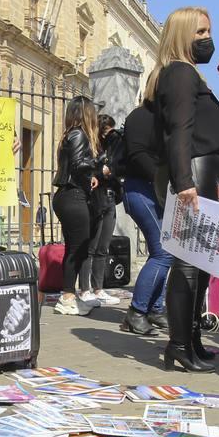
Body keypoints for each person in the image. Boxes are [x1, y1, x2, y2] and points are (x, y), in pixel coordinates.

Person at [147, 6, 219, 372]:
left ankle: (191, 340)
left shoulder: (186, 74)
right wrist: (185, 184)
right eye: (199, 33)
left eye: (208, 31)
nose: (207, 39)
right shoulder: (180, 74)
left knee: (200, 264)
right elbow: (179, 130)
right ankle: (179, 345)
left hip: (200, 176)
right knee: (189, 265)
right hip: (192, 177)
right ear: (182, 36)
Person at [119, 100, 171, 335]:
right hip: (141, 190)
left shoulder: (162, 116)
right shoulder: (141, 116)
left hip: (154, 191)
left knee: (163, 251)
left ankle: (154, 309)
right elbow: (139, 155)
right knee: (163, 252)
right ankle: (136, 312)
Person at [51, 96, 100, 316]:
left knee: (75, 247)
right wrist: (101, 166)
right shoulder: (79, 134)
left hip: (69, 195)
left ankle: (69, 294)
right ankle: (68, 297)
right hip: (73, 197)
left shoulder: (70, 135)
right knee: (78, 248)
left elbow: (75, 165)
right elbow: (80, 164)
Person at [77, 112, 122, 309]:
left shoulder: (115, 149)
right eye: (105, 131)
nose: (108, 135)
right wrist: (99, 171)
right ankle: (84, 289)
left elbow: (120, 170)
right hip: (95, 198)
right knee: (91, 247)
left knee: (103, 247)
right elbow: (84, 170)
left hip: (110, 199)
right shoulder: (90, 147)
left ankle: (98, 288)